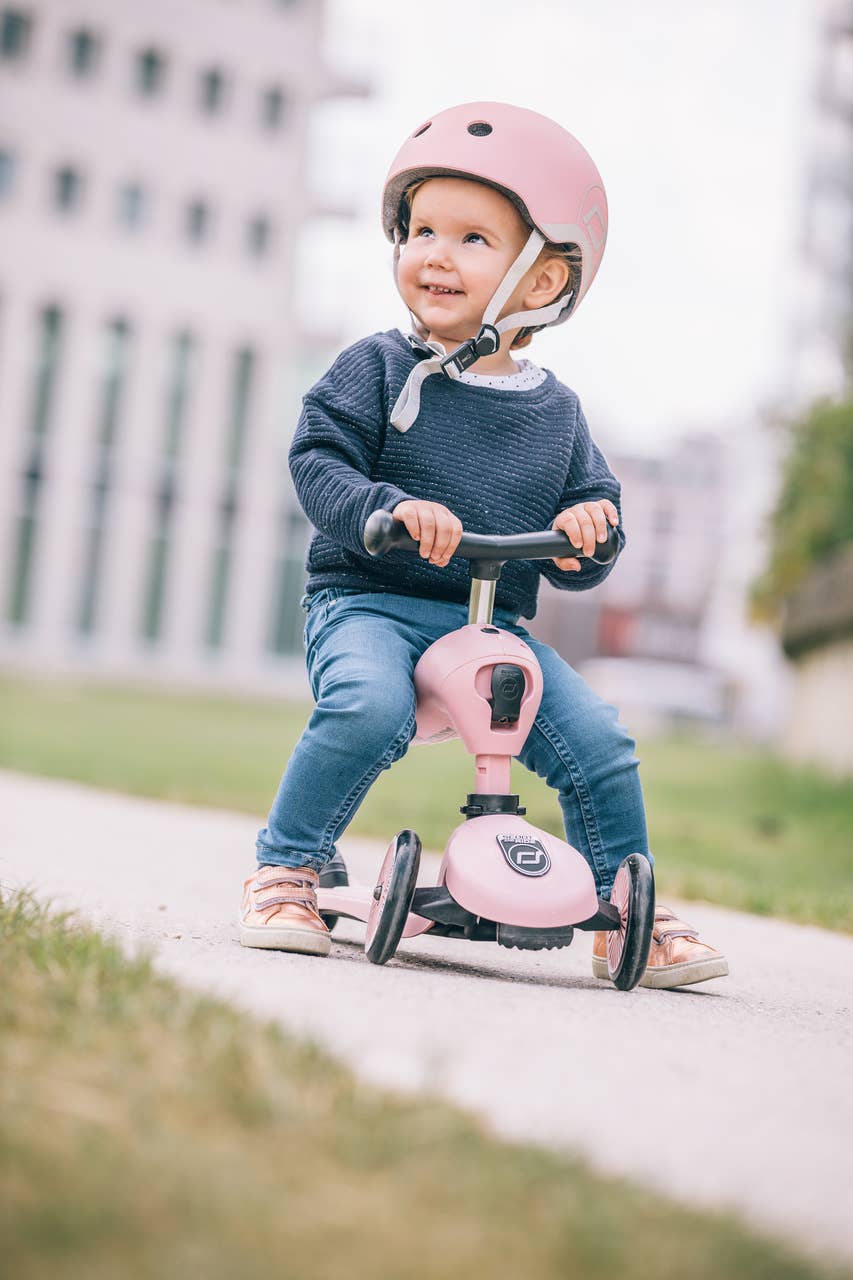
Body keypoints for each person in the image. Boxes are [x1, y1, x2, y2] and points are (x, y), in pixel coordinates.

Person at [239, 102, 728, 989]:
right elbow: (318, 459)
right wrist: (384, 508)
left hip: (492, 624)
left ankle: (627, 917)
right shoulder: (378, 368)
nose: (434, 253)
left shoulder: (556, 411)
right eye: (420, 229)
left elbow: (594, 513)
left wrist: (588, 534)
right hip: (368, 604)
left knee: (599, 742)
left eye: (471, 238)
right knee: (365, 708)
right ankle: (288, 870)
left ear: (540, 282)